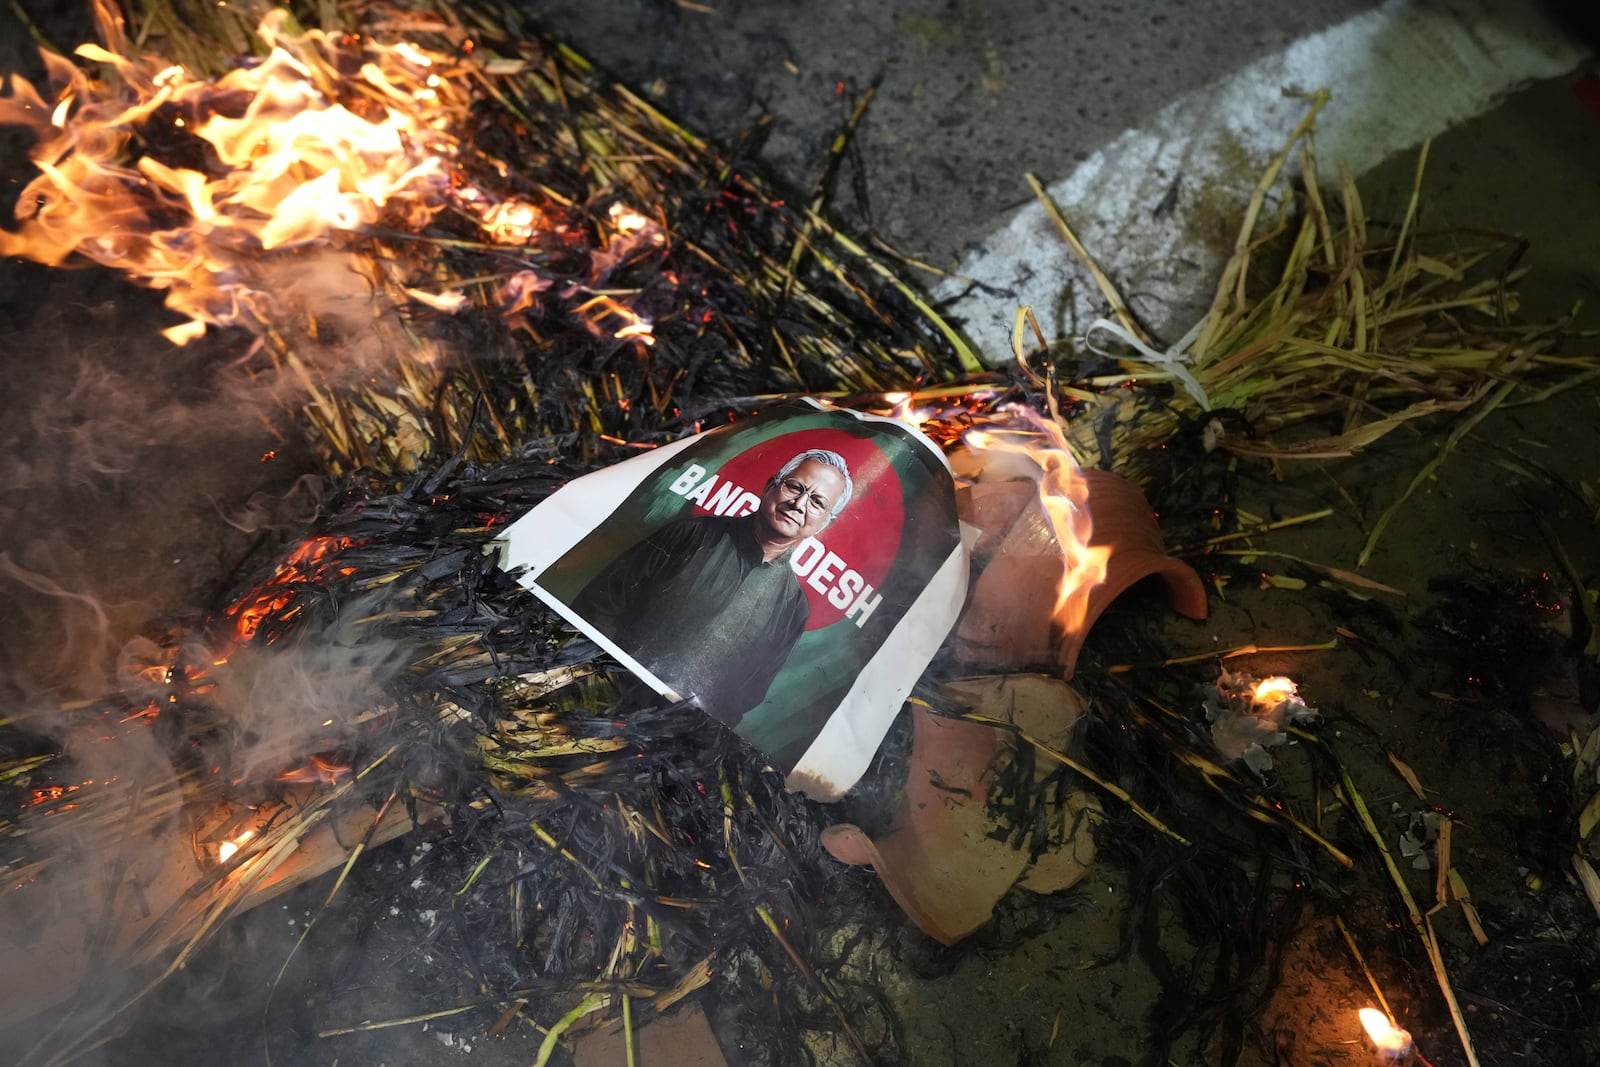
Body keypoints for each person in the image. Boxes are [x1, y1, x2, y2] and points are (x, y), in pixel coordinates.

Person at [572, 449, 853, 721]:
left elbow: (745, 697)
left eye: (817, 502)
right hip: (591, 696)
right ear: (770, 487)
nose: (800, 504)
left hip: (664, 737)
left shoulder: (793, 608)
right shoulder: (691, 535)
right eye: (795, 487)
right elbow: (598, 605)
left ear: (824, 523)